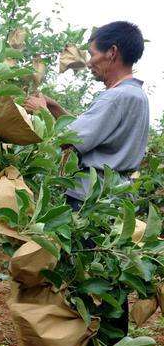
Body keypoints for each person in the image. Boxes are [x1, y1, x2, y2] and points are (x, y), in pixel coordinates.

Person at [24, 21, 149, 211]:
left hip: (91, 197)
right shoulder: (136, 95)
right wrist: (54, 107)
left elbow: (67, 140)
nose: (89, 62)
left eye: (92, 54)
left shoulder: (115, 97)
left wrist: (40, 111)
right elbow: (89, 133)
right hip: (115, 196)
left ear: (112, 52)